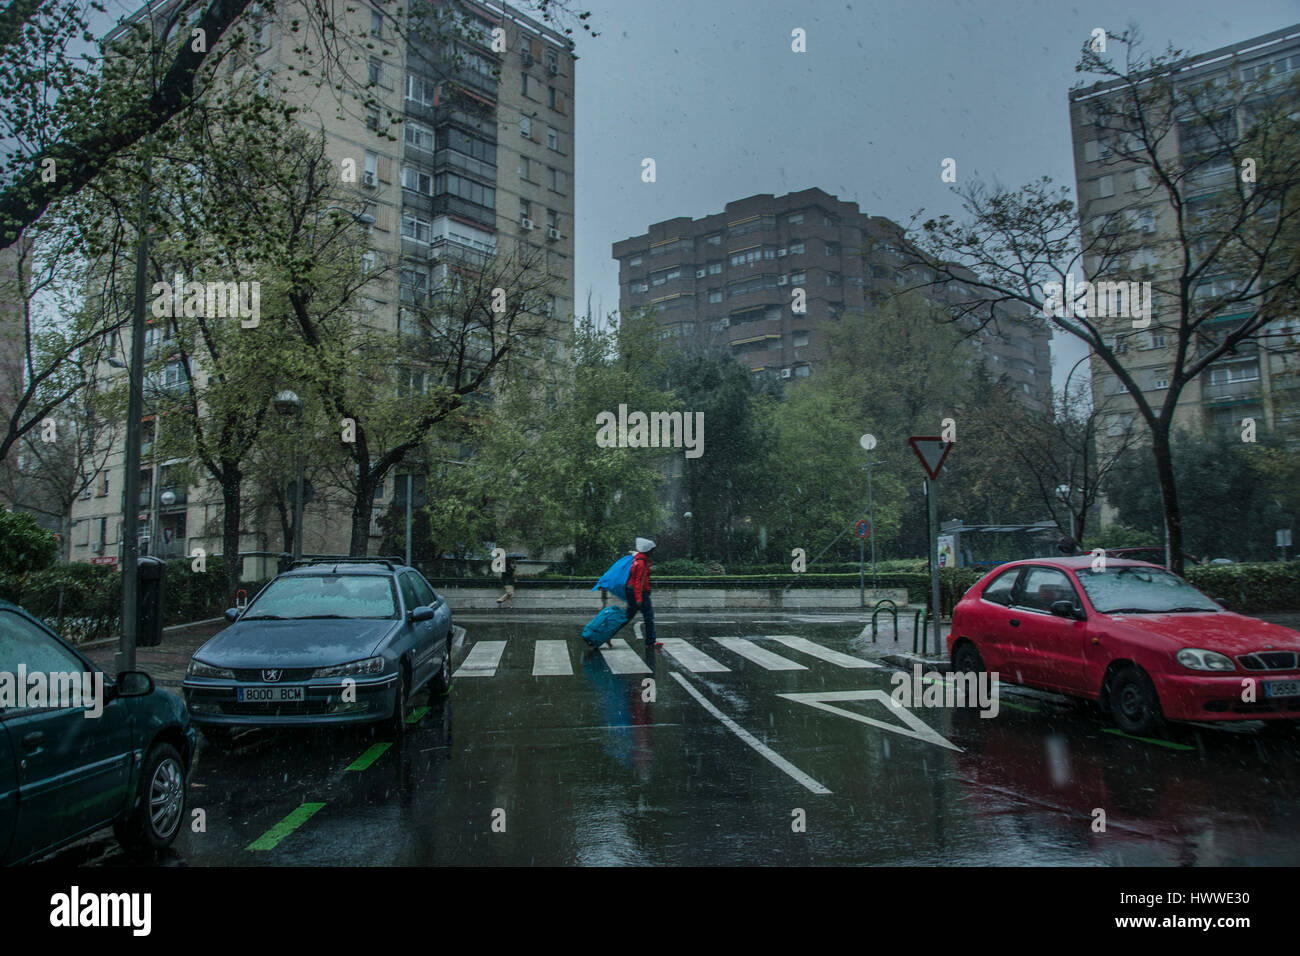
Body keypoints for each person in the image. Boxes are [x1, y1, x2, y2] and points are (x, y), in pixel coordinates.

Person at [623, 537, 662, 649]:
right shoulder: (642, 563)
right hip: (640, 593)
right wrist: (639, 598)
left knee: (627, 616)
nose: (653, 552)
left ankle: (608, 634)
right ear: (647, 551)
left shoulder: (637, 559)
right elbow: (639, 582)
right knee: (649, 617)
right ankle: (650, 642)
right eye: (652, 550)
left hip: (631, 591)